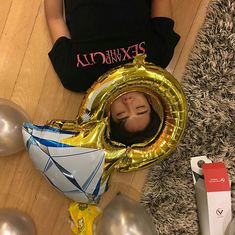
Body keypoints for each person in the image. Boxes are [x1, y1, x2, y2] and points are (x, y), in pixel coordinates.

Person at [44, 0, 180, 92]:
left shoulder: (76, 78)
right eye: (140, 109)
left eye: (121, 116)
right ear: (150, 102)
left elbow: (55, 19)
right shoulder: (157, 58)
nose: (129, 103)